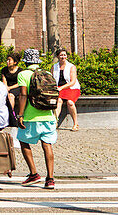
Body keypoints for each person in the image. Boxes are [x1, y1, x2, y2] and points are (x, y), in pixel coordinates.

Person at [14, 48, 56, 189]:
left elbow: (23, 95)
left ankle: (33, 173)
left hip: (30, 116)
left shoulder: (23, 74)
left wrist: (20, 115)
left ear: (25, 61)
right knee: (47, 145)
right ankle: (50, 179)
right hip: (47, 114)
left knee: (23, 141)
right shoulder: (48, 73)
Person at [52, 49, 80, 131]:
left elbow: (72, 82)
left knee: (70, 102)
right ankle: (54, 122)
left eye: (64, 55)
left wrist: (61, 87)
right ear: (57, 56)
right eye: (61, 55)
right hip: (59, 88)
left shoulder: (71, 67)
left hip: (71, 88)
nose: (63, 57)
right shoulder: (54, 67)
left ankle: (75, 123)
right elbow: (52, 80)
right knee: (58, 101)